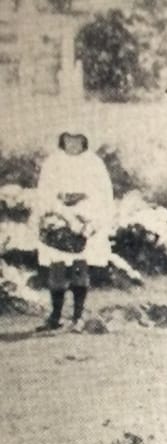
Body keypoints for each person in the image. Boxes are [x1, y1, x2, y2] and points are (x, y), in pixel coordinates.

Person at [34, 129, 114, 333]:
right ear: (62, 139)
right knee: (57, 268)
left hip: (84, 218)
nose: (72, 143)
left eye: (77, 139)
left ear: (84, 140)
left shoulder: (94, 163)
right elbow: (45, 192)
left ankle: (77, 317)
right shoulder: (53, 162)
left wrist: (89, 220)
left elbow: (103, 194)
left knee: (80, 266)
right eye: (68, 139)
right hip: (59, 219)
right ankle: (55, 317)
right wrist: (60, 214)